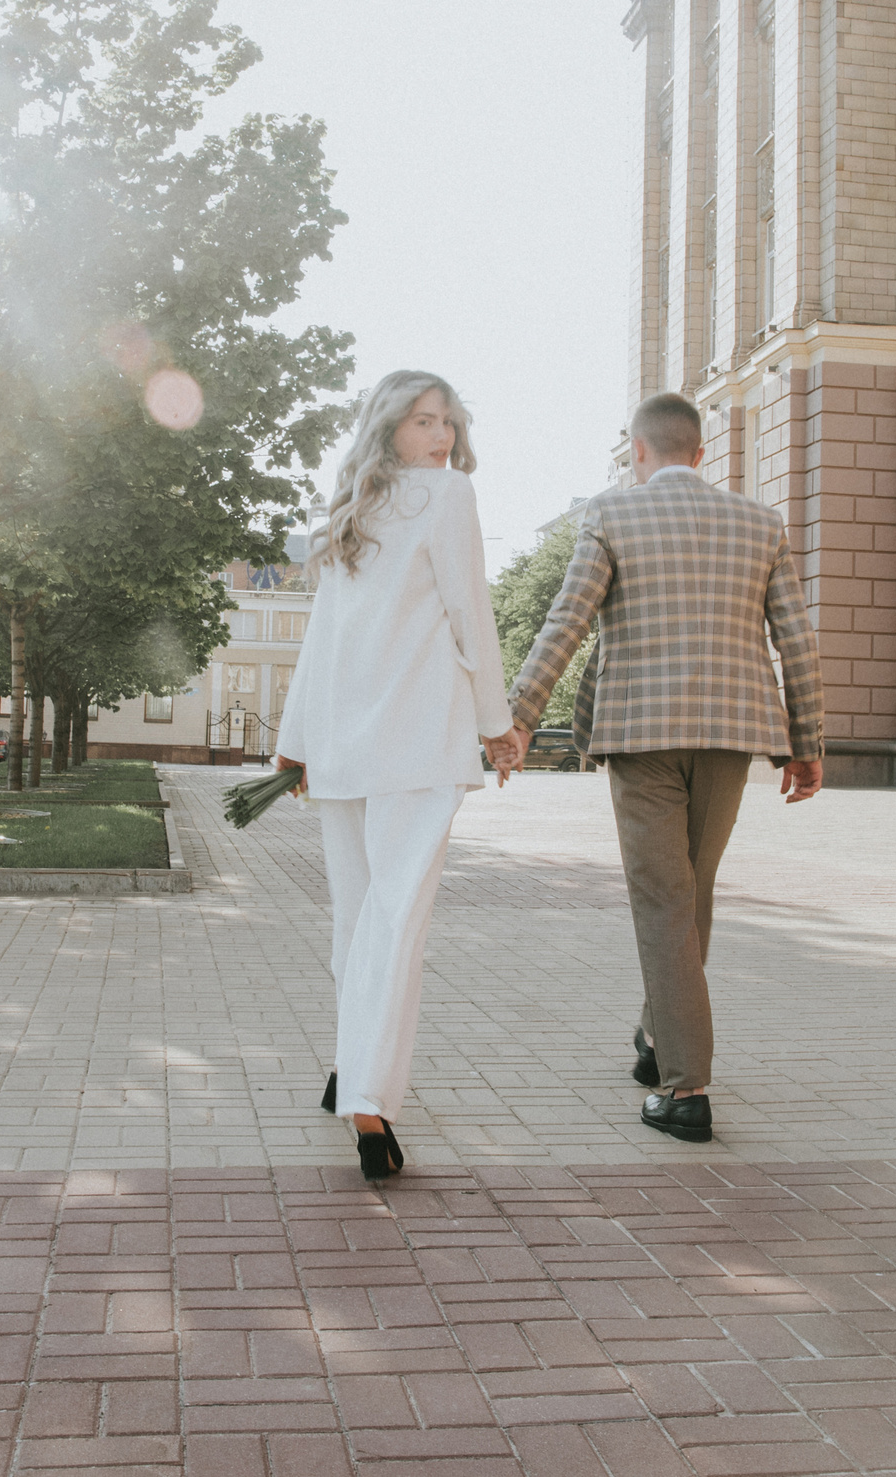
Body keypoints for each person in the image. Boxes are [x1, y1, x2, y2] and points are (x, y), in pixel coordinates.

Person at [505, 391, 823, 1144]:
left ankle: (686, 1088)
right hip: (731, 734)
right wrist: (807, 742)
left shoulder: (613, 515)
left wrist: (517, 715)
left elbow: (566, 621)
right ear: (702, 453)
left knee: (663, 900)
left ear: (637, 454)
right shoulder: (761, 523)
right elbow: (797, 641)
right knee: (689, 890)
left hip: (640, 732)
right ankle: (657, 1041)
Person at [274, 370, 518, 1182]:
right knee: (394, 920)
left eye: (447, 420)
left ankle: (351, 1068)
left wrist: (295, 738)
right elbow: (470, 612)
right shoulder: (447, 500)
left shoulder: (352, 510)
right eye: (422, 421)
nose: (441, 437)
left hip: (343, 746)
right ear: (389, 429)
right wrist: (497, 722)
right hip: (414, 743)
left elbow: (322, 636)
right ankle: (370, 1101)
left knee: (358, 920)